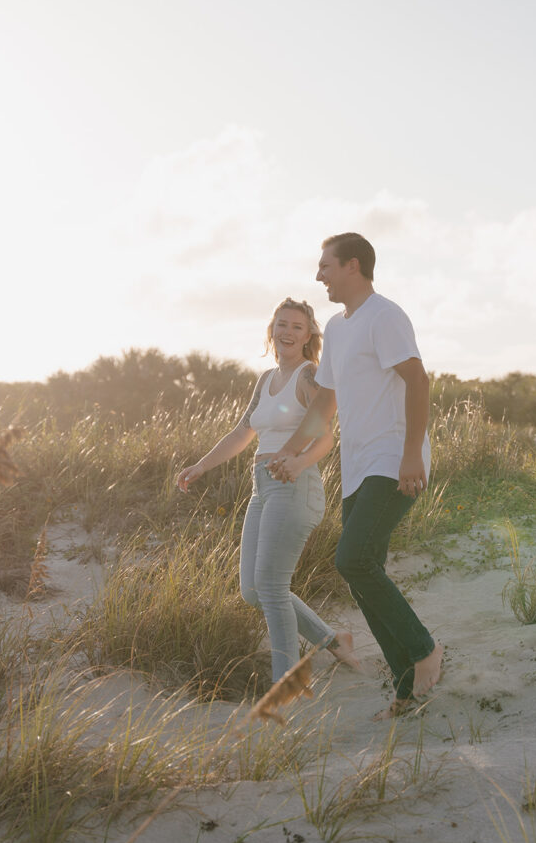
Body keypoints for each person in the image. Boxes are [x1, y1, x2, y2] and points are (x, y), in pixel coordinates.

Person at [268, 234, 443, 718]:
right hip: (359, 467)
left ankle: (424, 650)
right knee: (364, 571)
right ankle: (407, 690)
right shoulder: (339, 329)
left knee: (354, 561)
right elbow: (326, 401)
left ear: (352, 266)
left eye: (325, 265)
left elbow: (418, 380)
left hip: (393, 459)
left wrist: (412, 455)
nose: (318, 274)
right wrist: (288, 449)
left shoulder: (385, 316)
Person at [177, 298, 359, 684]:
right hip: (261, 486)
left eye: (297, 326)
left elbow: (326, 435)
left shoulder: (309, 376)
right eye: (282, 324)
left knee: (272, 589)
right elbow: (243, 433)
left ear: (309, 335)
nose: (288, 332)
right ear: (271, 330)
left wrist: (299, 461)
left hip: (295, 484)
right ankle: (333, 639)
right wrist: (201, 465)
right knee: (252, 590)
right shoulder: (265, 379)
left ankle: (286, 687)